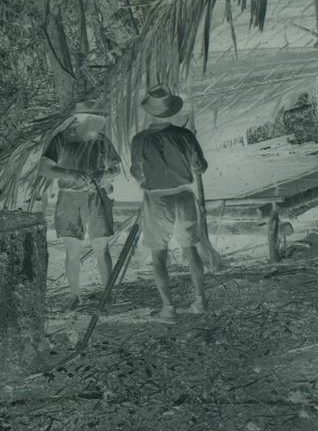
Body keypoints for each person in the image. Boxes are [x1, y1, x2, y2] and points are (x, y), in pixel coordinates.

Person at [130, 85, 210, 322]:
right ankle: (201, 300)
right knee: (191, 248)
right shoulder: (185, 135)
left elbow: (137, 173)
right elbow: (201, 167)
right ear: (171, 110)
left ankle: (169, 308)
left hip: (158, 199)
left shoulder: (140, 139)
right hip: (184, 196)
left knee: (159, 256)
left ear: (149, 112)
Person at [39, 99, 122, 309]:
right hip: (69, 198)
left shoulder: (102, 141)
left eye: (102, 121)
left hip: (97, 198)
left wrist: (105, 174)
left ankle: (108, 293)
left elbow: (117, 169)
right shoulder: (62, 139)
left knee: (101, 248)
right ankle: (75, 295)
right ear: (83, 119)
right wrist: (70, 173)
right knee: (72, 251)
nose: (102, 125)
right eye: (98, 121)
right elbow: (44, 168)